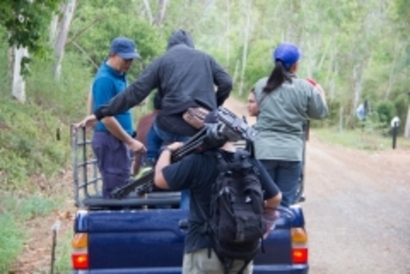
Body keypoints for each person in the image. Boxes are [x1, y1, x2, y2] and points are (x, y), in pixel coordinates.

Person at [77, 29, 232, 207]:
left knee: (156, 132)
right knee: (193, 179)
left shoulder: (162, 61)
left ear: (170, 46)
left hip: (169, 126)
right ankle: (186, 216)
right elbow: (227, 83)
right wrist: (212, 109)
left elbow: (134, 93)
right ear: (191, 45)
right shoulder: (205, 58)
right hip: (197, 131)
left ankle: (151, 161)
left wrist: (99, 113)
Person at [153, 112, 282, 274]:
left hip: (205, 248)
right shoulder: (248, 161)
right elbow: (275, 198)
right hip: (243, 250)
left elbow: (159, 179)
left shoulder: (197, 161)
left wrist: (167, 150)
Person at [252, 42, 328, 207]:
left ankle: (261, 232)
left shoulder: (261, 85)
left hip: (264, 151)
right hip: (291, 153)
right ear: (295, 65)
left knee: (263, 203)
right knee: (284, 204)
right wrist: (321, 93)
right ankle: (282, 232)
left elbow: (254, 107)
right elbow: (320, 113)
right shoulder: (305, 88)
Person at [89, 37, 146, 198]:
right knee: (116, 190)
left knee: (123, 184)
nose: (129, 62)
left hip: (119, 140)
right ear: (113, 54)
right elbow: (106, 117)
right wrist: (130, 141)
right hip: (110, 140)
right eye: (126, 58)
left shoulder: (119, 75)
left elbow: (118, 104)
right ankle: (112, 221)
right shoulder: (105, 79)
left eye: (131, 59)